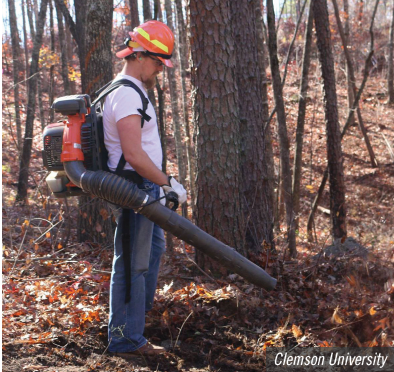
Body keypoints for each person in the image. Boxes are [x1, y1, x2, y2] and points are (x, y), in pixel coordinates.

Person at [103, 20, 187, 357]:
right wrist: (167, 182)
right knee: (132, 264)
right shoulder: (125, 93)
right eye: (156, 62)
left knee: (151, 253)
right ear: (139, 54)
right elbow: (134, 155)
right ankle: (125, 338)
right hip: (135, 189)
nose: (159, 70)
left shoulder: (130, 90)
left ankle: (134, 324)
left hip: (145, 189)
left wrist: (162, 184)